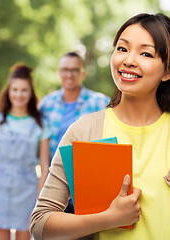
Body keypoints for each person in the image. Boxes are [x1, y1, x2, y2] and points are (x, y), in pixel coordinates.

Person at [30, 13, 170, 240]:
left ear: (168, 71)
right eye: (122, 48)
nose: (128, 60)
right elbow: (40, 225)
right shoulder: (83, 131)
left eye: (146, 53)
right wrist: (108, 218)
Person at [0, 64, 50, 240]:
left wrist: (39, 205)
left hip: (27, 192)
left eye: (24, 90)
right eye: (15, 90)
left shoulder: (40, 125)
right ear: (8, 91)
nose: (19, 95)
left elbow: (45, 167)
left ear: (31, 93)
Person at [39, 51, 110, 213]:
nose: (69, 74)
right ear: (59, 73)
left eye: (74, 70)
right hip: (56, 182)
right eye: (65, 70)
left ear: (83, 73)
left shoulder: (101, 102)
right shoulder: (46, 104)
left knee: (86, 235)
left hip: (88, 184)